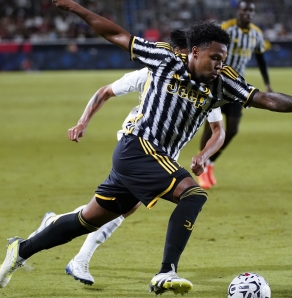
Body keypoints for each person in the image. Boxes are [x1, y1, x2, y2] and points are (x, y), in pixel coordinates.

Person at [0, 0, 292, 295]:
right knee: (193, 194)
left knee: (85, 220)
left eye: (224, 58)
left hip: (150, 159)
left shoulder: (222, 83)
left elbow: (265, 99)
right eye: (214, 57)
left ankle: (21, 249)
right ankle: (166, 271)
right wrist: (75, 7)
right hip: (137, 146)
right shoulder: (165, 58)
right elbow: (116, 33)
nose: (220, 64)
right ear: (194, 52)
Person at [27, 30, 226, 286]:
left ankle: (54, 225)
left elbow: (218, 129)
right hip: (135, 149)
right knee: (123, 209)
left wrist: (204, 154)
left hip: (163, 157)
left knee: (112, 209)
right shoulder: (152, 72)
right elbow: (106, 91)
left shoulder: (207, 85)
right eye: (180, 56)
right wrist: (82, 122)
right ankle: (80, 260)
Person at [198, 0, 272, 189]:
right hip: (216, 83)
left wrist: (267, 84)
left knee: (232, 129)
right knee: (211, 126)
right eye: (244, 10)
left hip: (236, 87)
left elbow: (261, 58)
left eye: (250, 11)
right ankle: (202, 166)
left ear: (253, 14)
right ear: (238, 12)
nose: (247, 13)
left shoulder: (256, 34)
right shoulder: (226, 30)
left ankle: (211, 162)